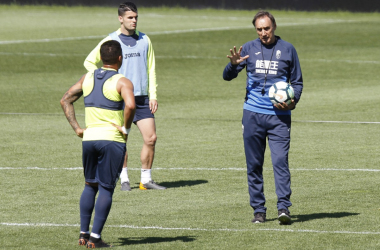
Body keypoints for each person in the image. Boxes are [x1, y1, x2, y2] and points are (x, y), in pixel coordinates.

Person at [223, 10, 303, 225]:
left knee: (279, 161)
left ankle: (283, 207)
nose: (263, 33)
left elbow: (297, 82)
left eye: (266, 28)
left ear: (274, 27)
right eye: (259, 29)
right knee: (254, 165)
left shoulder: (288, 49)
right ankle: (259, 210)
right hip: (252, 115)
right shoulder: (248, 48)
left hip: (279, 117)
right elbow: (227, 77)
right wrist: (232, 65)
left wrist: (293, 101)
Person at [84, 1, 166, 191]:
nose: (134, 20)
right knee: (121, 139)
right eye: (130, 17)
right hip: (119, 99)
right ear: (120, 19)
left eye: (136, 17)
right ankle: (124, 179)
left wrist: (153, 95)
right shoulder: (111, 41)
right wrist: (103, 78)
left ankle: (146, 180)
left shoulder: (145, 39)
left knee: (151, 138)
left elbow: (151, 68)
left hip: (142, 99)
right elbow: (89, 62)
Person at [61, 40, 136, 247]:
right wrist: (126, 128)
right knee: (106, 188)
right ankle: (95, 237)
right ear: (120, 58)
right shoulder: (122, 81)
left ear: (101, 58)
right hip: (111, 140)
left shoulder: (87, 77)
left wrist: (77, 128)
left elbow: (65, 99)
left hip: (89, 139)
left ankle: (83, 234)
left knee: (89, 185)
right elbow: (130, 105)